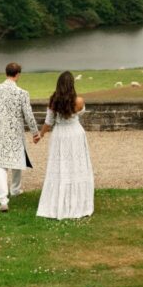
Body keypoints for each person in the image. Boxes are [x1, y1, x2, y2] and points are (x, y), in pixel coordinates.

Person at [0, 62, 41, 213]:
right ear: (17, 74)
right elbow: (28, 115)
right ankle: (15, 190)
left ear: (6, 73)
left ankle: (4, 199)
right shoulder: (22, 93)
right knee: (18, 159)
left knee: (1, 166)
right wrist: (35, 132)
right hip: (15, 133)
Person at [35, 70, 94, 219]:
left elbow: (49, 122)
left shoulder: (53, 101)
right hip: (75, 133)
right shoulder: (79, 101)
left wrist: (40, 135)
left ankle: (58, 202)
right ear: (72, 84)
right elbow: (79, 113)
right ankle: (78, 202)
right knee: (76, 165)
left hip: (60, 135)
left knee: (60, 166)